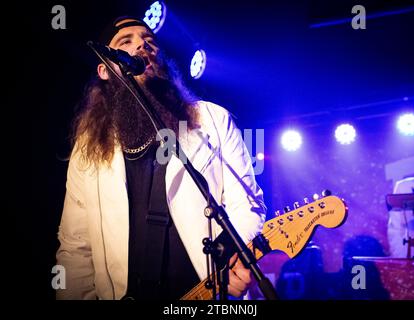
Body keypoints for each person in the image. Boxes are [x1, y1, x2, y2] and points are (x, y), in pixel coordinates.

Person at [55, 16, 266, 300]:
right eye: (125, 43)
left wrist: (231, 259)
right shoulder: (89, 147)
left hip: (204, 295)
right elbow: (75, 244)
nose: (142, 44)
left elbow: (247, 204)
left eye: (149, 40)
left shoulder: (213, 119)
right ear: (105, 71)